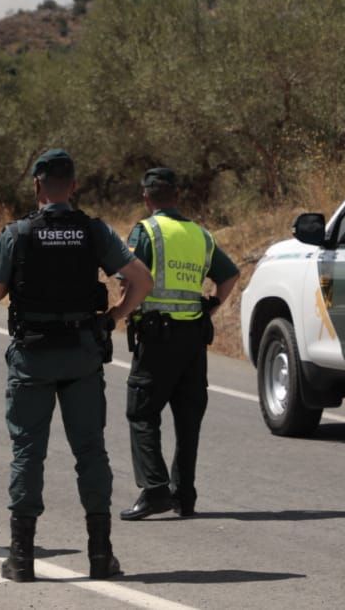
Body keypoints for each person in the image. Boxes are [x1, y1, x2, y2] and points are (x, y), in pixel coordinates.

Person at [0, 149, 153, 584]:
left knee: (27, 453)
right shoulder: (93, 231)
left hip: (33, 357)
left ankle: (21, 559)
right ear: (73, 186)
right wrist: (115, 316)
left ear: (36, 185)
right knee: (90, 452)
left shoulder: (17, 233)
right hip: (81, 356)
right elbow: (142, 279)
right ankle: (100, 555)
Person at [119, 166, 240, 521]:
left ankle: (155, 490)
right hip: (193, 340)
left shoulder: (146, 231)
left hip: (157, 338)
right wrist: (211, 307)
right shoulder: (201, 235)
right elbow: (230, 275)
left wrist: (120, 311)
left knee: (142, 411)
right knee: (188, 419)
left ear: (145, 197)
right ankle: (183, 495)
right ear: (177, 196)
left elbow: (131, 279)